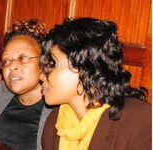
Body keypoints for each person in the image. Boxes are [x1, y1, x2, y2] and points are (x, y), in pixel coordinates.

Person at [40, 18, 151, 150]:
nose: (41, 75)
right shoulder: (54, 123)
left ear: (84, 68)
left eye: (52, 65)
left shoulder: (140, 121)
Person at [0, 19, 51, 150]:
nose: (12, 66)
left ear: (44, 63)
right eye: (6, 61)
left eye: (23, 58)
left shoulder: (56, 109)